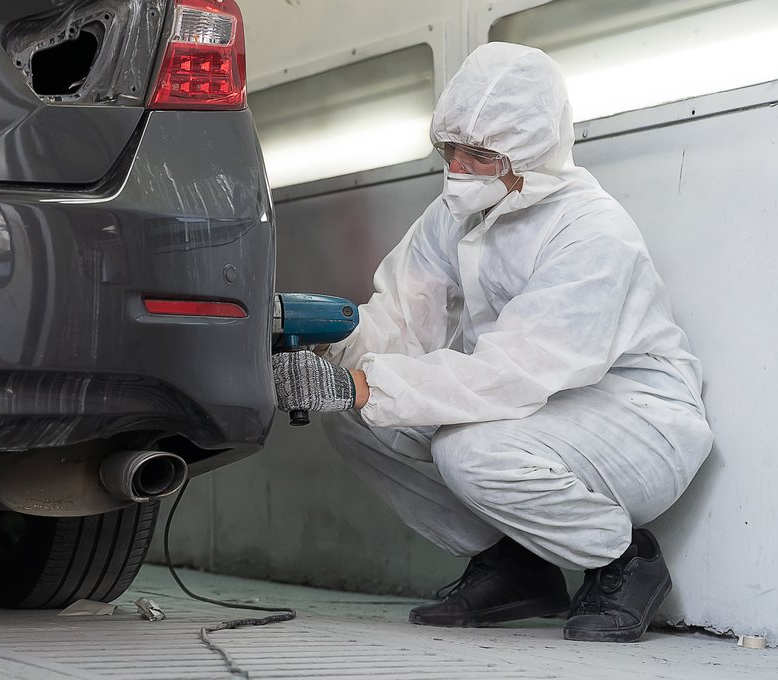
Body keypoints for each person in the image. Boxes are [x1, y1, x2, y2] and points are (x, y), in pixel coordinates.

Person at [271, 42, 713, 643]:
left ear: (530, 152)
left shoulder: (591, 233)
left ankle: (623, 562)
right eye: (449, 148)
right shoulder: (452, 216)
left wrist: (366, 384)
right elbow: (400, 319)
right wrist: (325, 355)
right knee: (353, 418)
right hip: (536, 409)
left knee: (468, 449)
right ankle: (516, 567)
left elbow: (515, 372)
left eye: (480, 154)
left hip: (633, 419)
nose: (458, 167)